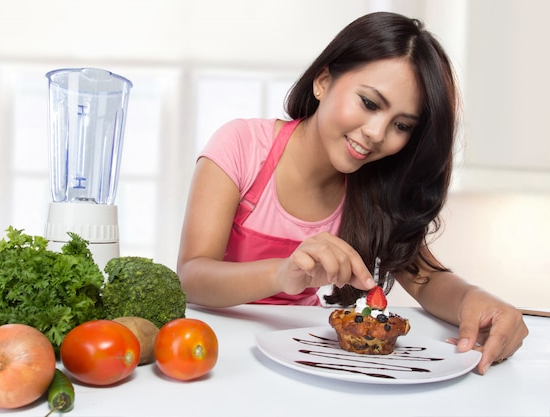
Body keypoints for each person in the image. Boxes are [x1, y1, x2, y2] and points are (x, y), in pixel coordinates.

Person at [177, 11, 527, 374]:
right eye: (370, 103)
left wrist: (474, 299)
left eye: (402, 125)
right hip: (215, 352)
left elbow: (427, 280)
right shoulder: (243, 145)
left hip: (302, 358)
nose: (377, 132)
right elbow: (190, 276)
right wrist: (281, 274)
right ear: (323, 81)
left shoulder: (376, 187)